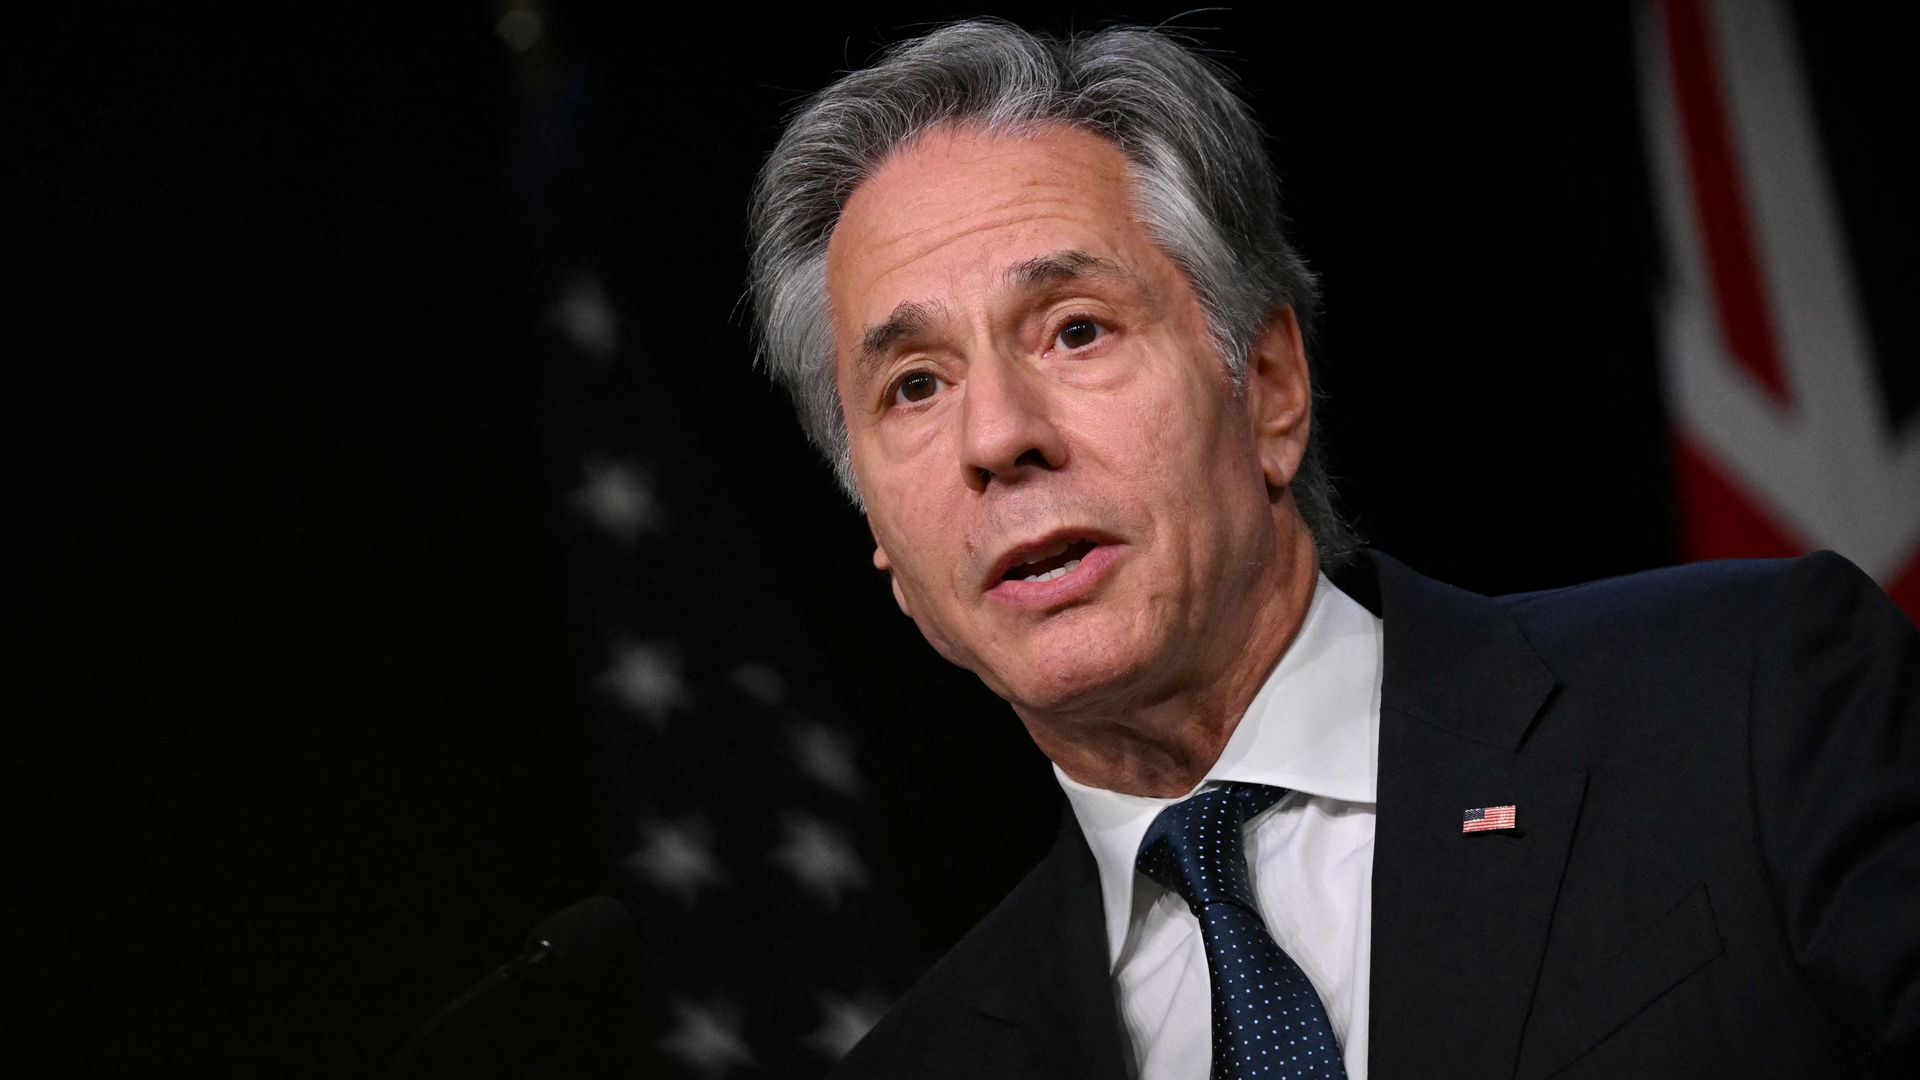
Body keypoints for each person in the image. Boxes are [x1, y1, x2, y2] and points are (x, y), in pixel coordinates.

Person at [746, 19, 1918, 1080]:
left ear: (1267, 388)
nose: (997, 438)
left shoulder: (1747, 700)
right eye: (913, 387)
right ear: (885, 551)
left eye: (1075, 330)